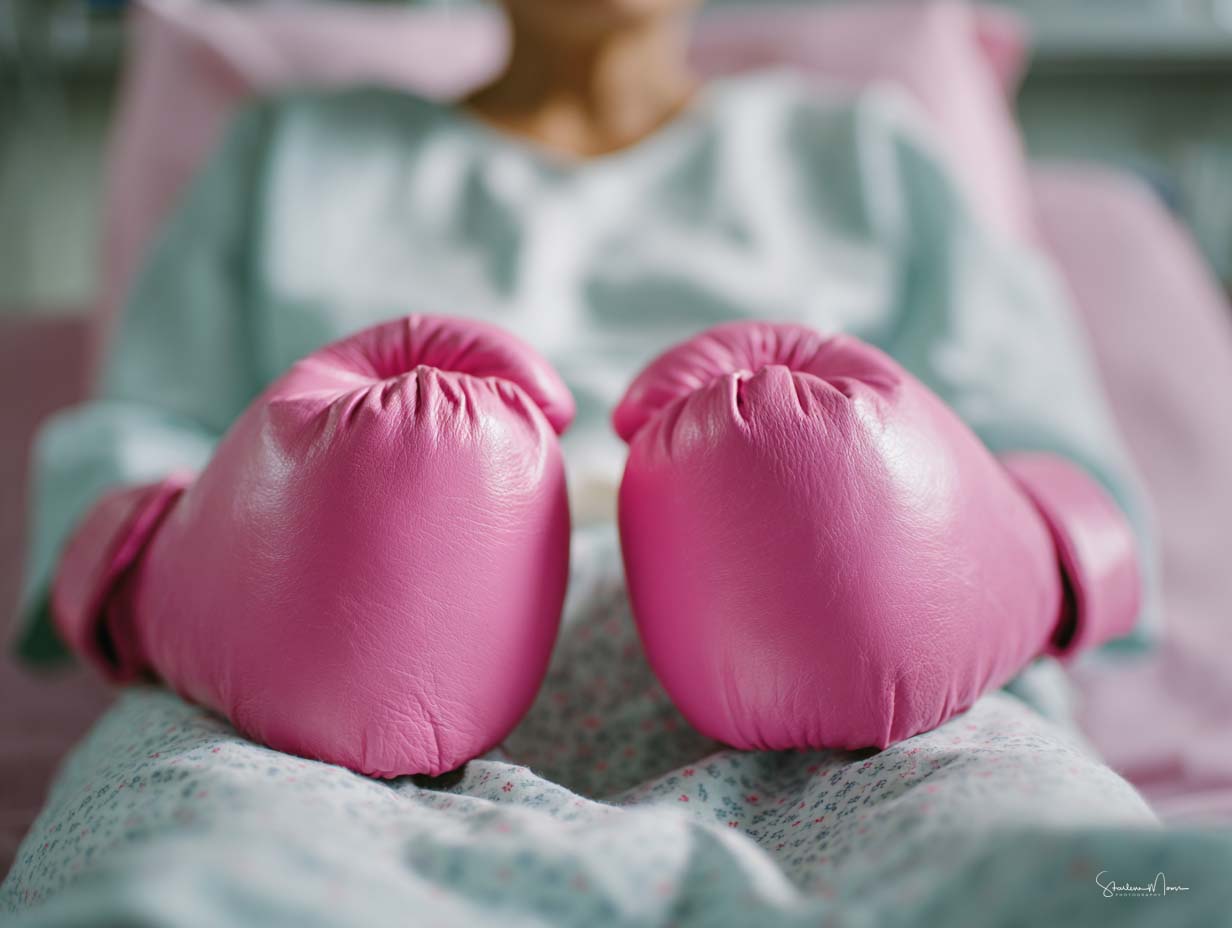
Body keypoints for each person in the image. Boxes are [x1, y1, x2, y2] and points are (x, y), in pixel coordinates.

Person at [7, 0, 1198, 924]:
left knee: (1074, 871)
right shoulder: (286, 155)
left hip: (860, 709)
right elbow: (130, 454)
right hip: (312, 709)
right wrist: (253, 565)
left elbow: (1058, 465)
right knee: (187, 868)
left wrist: (917, 552)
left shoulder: (871, 153)